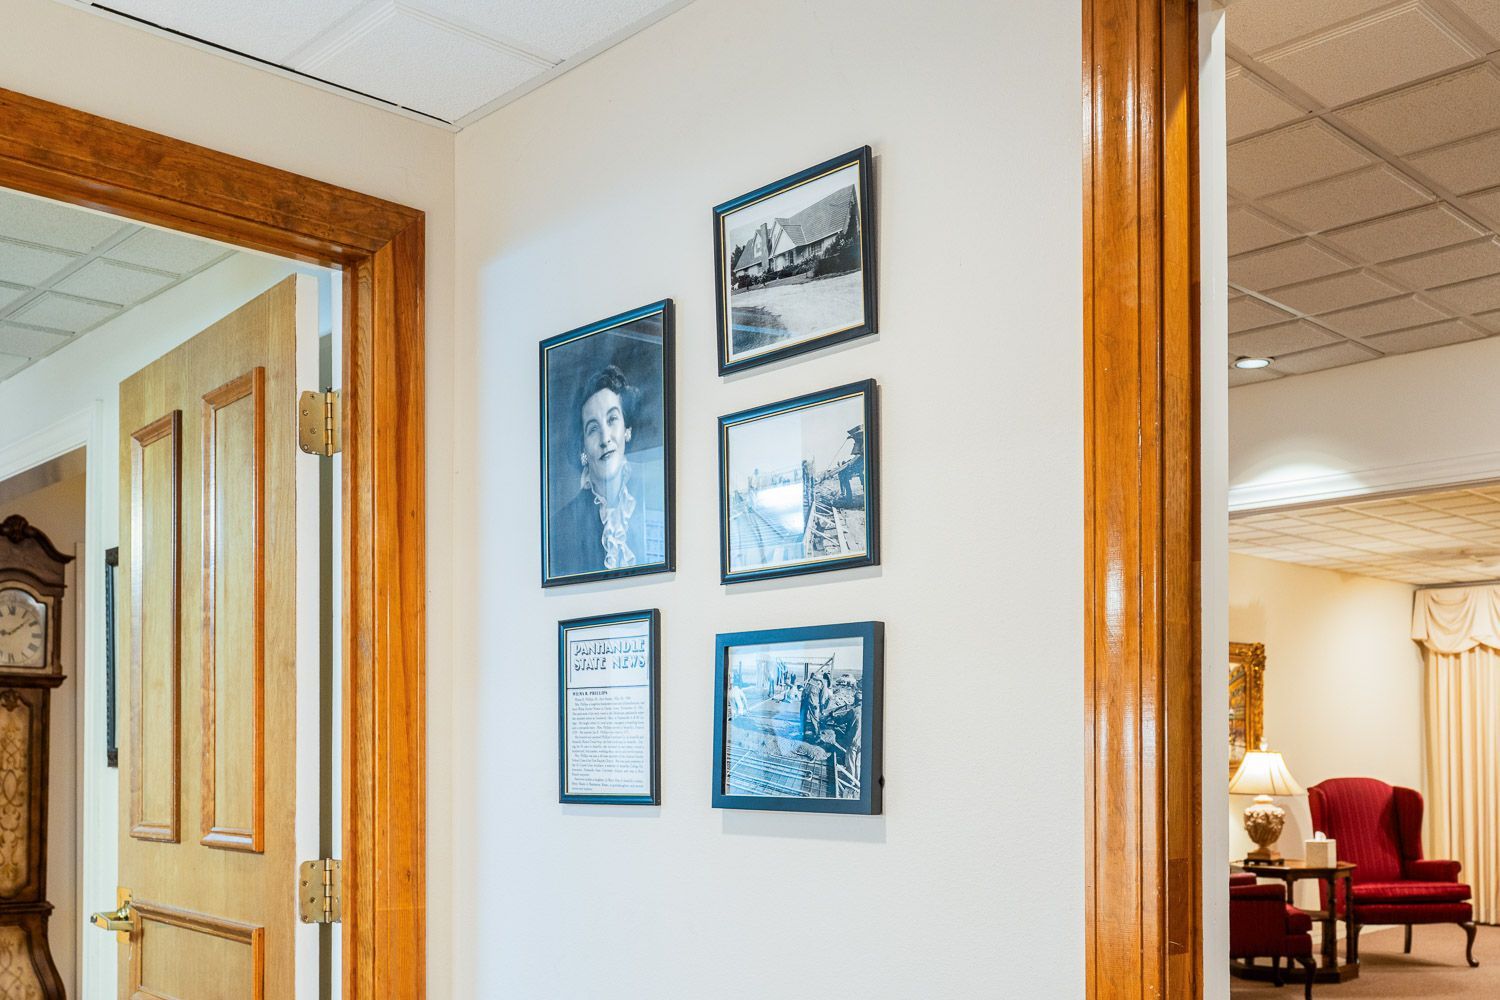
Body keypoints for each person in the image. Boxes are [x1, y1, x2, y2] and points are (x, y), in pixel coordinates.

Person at [548, 365, 648, 576]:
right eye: (593, 429)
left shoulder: (651, 502)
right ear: (583, 448)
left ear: (627, 429)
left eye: (612, 420)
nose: (605, 438)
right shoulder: (561, 526)